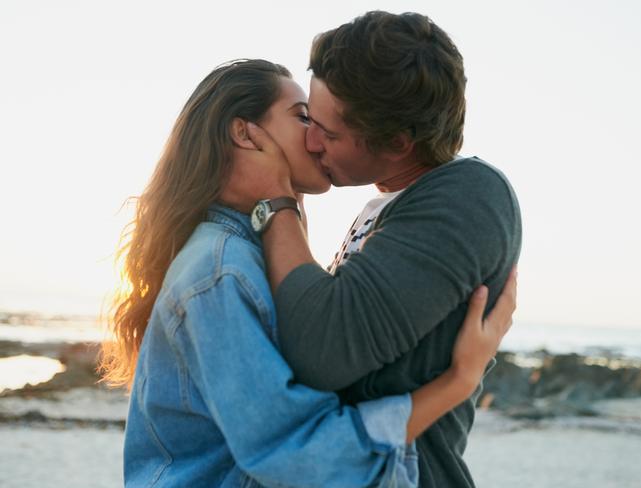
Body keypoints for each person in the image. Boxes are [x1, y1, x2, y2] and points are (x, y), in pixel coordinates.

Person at [100, 59, 517, 487]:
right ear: (245, 133)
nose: (316, 138)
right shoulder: (221, 270)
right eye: (302, 117)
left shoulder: (255, 253)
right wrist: (456, 382)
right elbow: (295, 453)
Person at [220, 11, 523, 488]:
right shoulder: (386, 203)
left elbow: (321, 352)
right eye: (307, 119)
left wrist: (277, 199)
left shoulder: (468, 197)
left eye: (329, 132)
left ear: (399, 143)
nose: (310, 141)